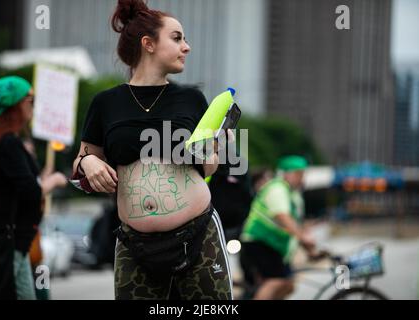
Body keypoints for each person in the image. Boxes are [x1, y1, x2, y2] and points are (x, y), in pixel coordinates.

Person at [71, 0, 232, 300]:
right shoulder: (106, 103)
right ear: (149, 44)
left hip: (198, 235)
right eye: (177, 38)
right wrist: (90, 162)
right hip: (134, 244)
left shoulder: (192, 99)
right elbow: (79, 161)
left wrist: (215, 150)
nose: (187, 47)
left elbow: (210, 167)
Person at [0, 76, 67, 299]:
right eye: (30, 99)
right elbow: (30, 191)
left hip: (8, 243)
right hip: (8, 244)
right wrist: (53, 181)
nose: (33, 106)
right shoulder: (8, 143)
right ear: (16, 105)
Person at [239, 155, 316, 300]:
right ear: (287, 173)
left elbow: (294, 225)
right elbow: (282, 217)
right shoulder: (277, 188)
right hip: (259, 241)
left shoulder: (292, 194)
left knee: (288, 285)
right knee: (276, 282)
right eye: (299, 174)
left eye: (303, 174)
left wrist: (310, 250)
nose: (302, 179)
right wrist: (304, 238)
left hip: (273, 246)